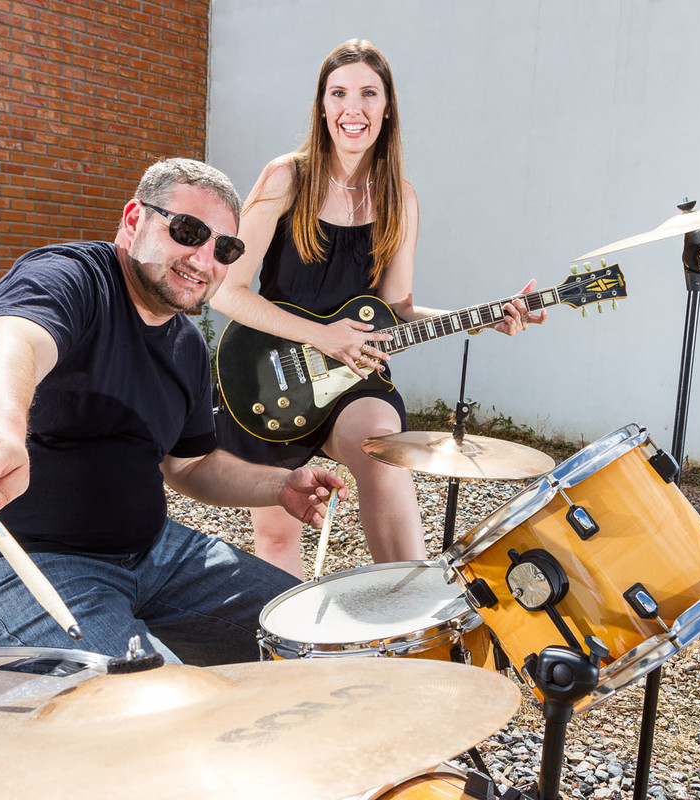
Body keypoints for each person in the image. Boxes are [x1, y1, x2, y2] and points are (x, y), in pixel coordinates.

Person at [0, 158, 344, 666]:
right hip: (9, 562)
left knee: (320, 639)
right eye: (187, 231)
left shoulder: (187, 346)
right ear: (134, 219)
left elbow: (191, 465)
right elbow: (10, 339)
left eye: (225, 248)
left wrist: (277, 486)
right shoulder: (70, 278)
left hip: (155, 556)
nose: (204, 259)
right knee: (154, 714)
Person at [209, 39, 545, 578]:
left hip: (355, 375)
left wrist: (484, 318)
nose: (353, 107)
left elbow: (397, 307)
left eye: (368, 93)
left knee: (383, 453)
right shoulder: (285, 179)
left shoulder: (399, 198)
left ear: (387, 108)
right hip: (266, 372)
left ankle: (414, 617)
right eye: (339, 93)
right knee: (277, 535)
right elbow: (226, 290)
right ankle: (284, 658)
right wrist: (321, 336)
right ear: (322, 106)